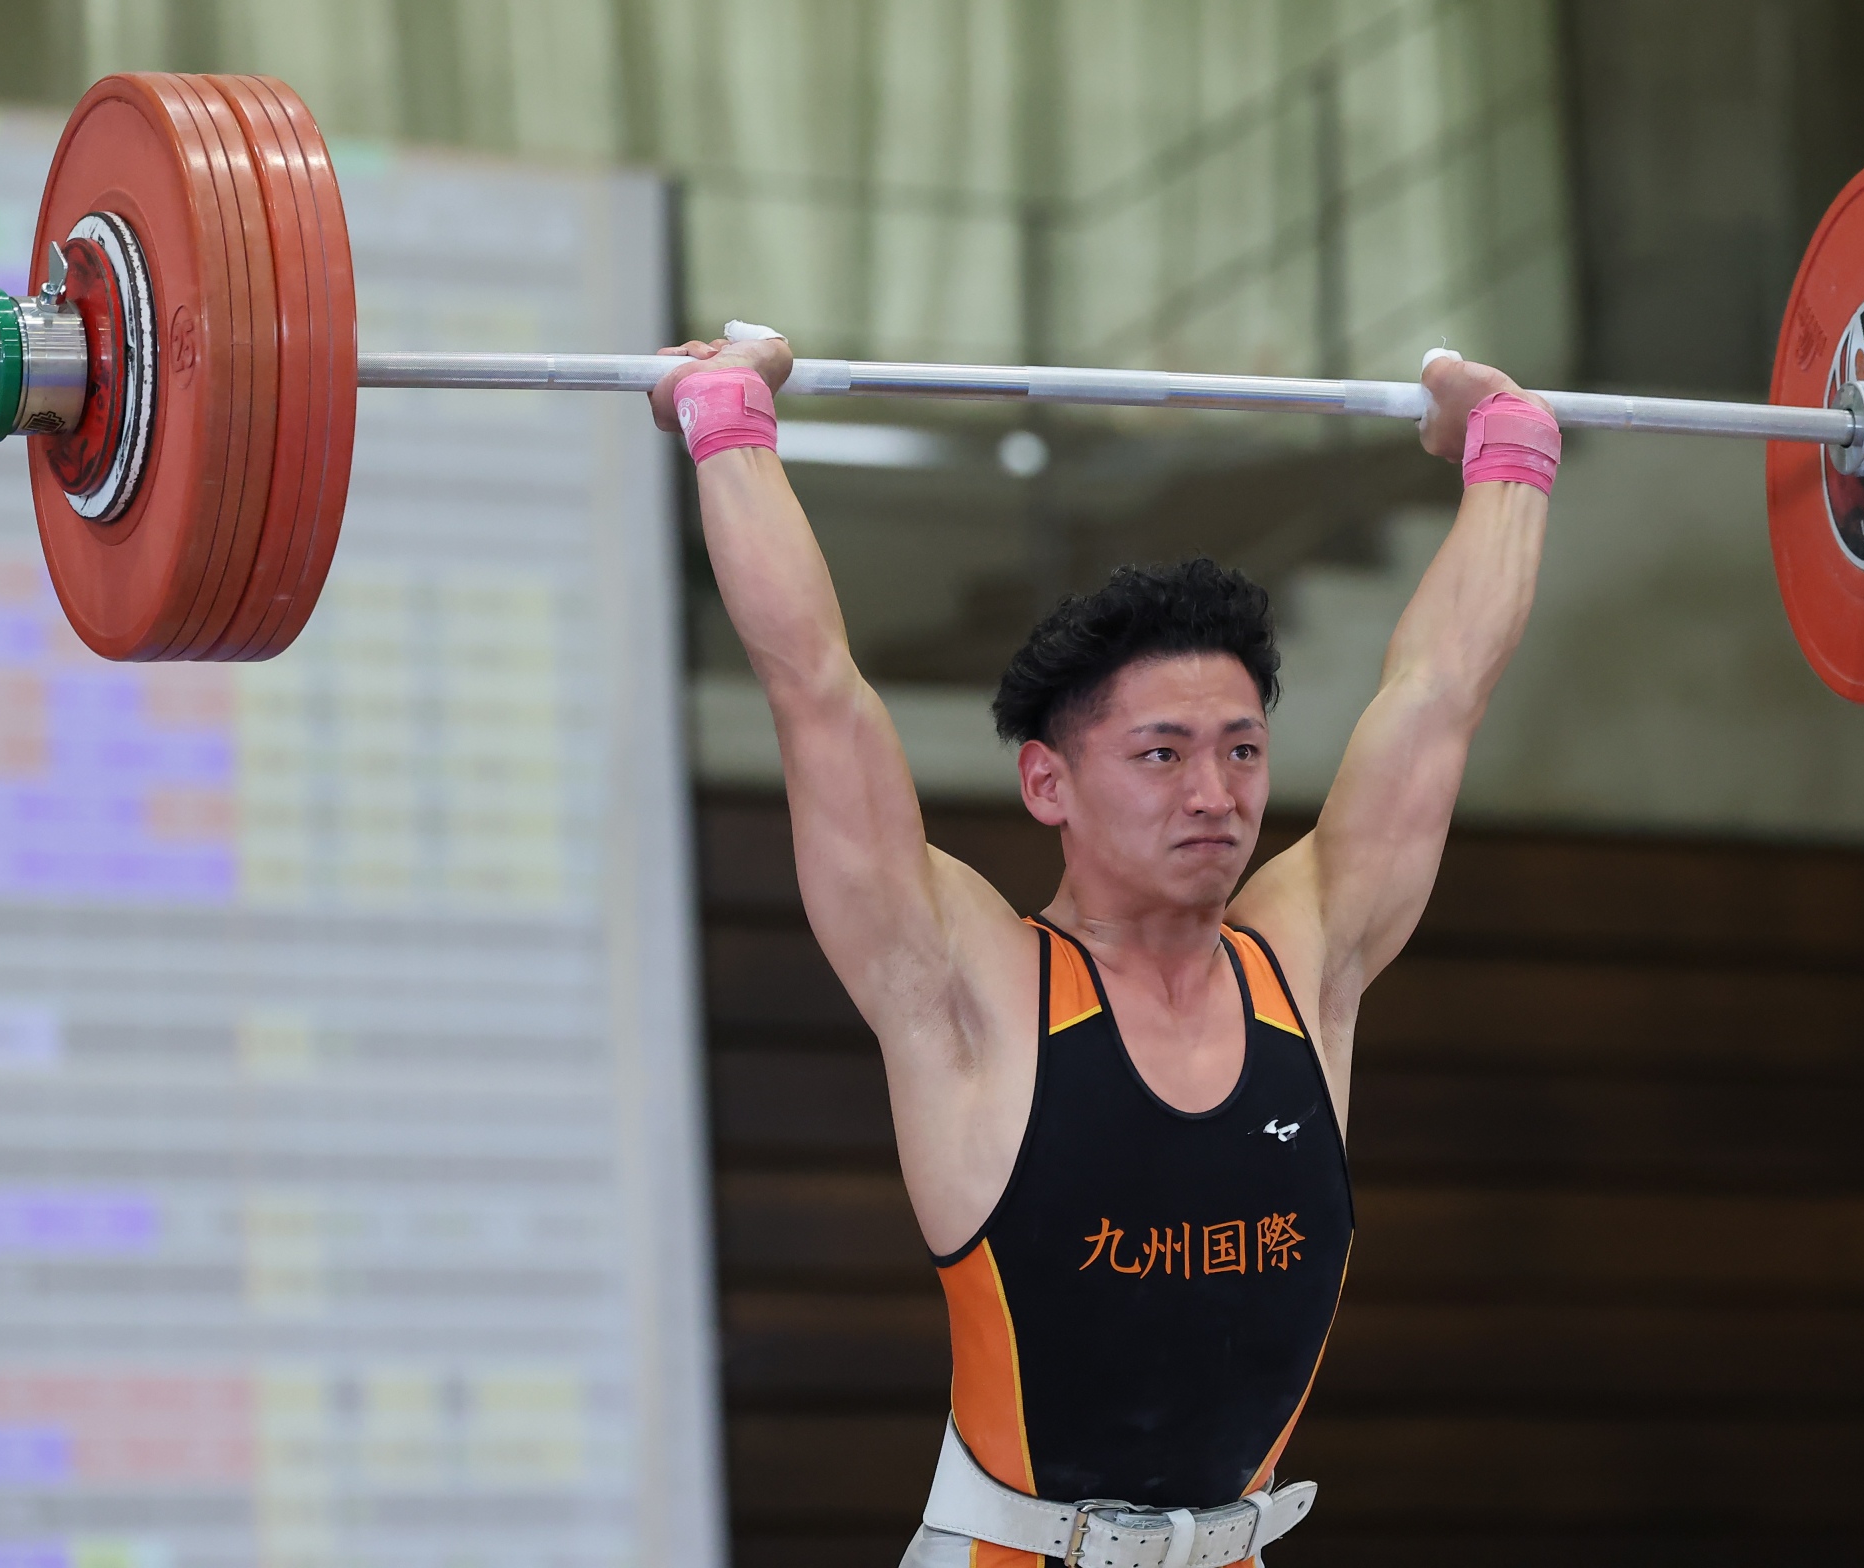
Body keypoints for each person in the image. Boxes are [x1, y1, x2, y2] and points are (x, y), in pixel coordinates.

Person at [652, 334, 1560, 1568]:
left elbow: (1441, 690)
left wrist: (1507, 452)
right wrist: (729, 425)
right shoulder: (968, 986)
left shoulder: (1308, 958)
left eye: (1242, 750)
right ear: (1048, 782)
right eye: (1161, 753)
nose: (1214, 793)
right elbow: (815, 688)